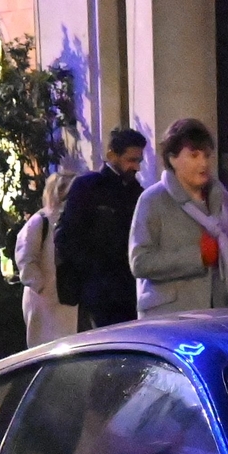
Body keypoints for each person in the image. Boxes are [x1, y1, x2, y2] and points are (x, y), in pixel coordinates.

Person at [129, 117, 228, 314]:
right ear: (172, 158)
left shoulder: (221, 199)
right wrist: (198, 256)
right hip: (171, 318)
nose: (203, 163)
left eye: (207, 155)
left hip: (220, 315)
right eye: (194, 155)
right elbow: (140, 262)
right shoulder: (153, 200)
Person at [56, 127, 148, 330]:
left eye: (138, 161)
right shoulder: (88, 187)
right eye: (131, 160)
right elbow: (67, 237)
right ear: (111, 156)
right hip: (99, 293)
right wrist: (91, 274)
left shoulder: (137, 193)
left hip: (129, 291)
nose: (136, 167)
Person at [14, 170, 75, 347]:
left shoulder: (72, 221)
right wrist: (40, 286)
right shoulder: (39, 221)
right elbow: (25, 258)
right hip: (43, 302)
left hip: (67, 300)